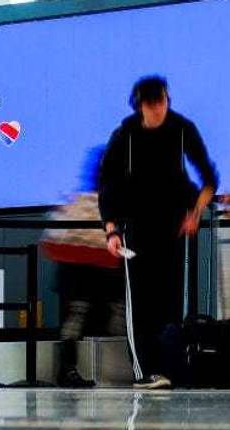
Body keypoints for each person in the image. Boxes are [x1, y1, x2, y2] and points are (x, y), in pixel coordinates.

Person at [101, 76, 219, 390]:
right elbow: (107, 185)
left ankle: (169, 369)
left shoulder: (181, 129)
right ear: (140, 106)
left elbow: (209, 177)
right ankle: (144, 372)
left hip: (172, 226)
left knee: (167, 304)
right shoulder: (125, 135)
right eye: (152, 104)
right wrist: (111, 230)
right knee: (139, 303)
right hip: (134, 227)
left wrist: (195, 213)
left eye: (163, 101)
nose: (159, 110)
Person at [42, 147, 125, 388]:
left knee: (83, 318)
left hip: (86, 270)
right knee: (82, 318)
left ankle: (70, 370)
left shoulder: (79, 201)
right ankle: (69, 370)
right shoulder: (94, 202)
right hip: (84, 270)